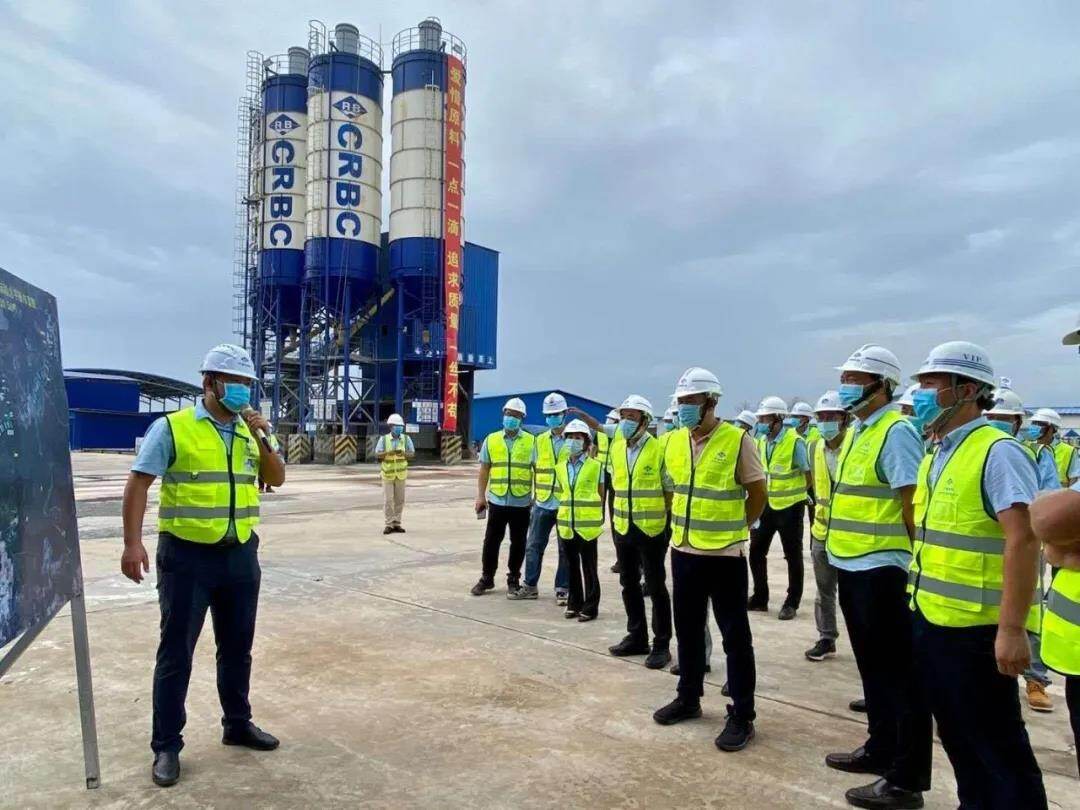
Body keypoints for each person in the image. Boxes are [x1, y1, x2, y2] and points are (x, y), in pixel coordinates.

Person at [120, 344, 285, 788]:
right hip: (187, 558)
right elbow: (138, 483)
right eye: (235, 382)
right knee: (176, 653)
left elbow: (277, 477)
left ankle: (237, 724)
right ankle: (166, 746)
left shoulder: (250, 431)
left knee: (237, 649)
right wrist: (132, 543)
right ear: (209, 382)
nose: (243, 390)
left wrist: (264, 436)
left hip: (240, 554)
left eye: (248, 383)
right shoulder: (172, 428)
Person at [906, 341, 1047, 809]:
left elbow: (1023, 540)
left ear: (967, 391)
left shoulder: (997, 452)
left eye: (931, 383)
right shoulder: (938, 451)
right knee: (958, 736)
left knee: (998, 746)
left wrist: (1012, 630)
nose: (920, 393)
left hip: (978, 630)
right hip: (934, 618)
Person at [823, 343, 931, 810]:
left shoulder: (896, 431)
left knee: (900, 675)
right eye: (844, 378)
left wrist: (917, 564)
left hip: (884, 568)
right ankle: (880, 747)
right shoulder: (860, 430)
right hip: (851, 561)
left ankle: (906, 779)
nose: (846, 386)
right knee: (873, 668)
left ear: (882, 385)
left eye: (855, 379)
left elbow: (911, 505)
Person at [653, 367, 766, 754]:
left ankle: (742, 715)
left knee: (735, 636)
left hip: (724, 554)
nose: (685, 407)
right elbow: (674, 490)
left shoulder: (737, 440)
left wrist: (738, 527)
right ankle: (689, 697)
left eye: (692, 401)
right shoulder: (673, 441)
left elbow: (758, 493)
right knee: (686, 630)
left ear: (711, 402)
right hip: (683, 550)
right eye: (681, 401)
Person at [987, 386, 1059, 713]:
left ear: (1017, 422)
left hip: (1025, 539)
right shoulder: (980, 450)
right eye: (992, 416)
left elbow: (1048, 496)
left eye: (1003, 418)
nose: (996, 422)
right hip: (987, 554)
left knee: (1028, 612)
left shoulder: (1029, 454)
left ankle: (1035, 680)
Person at [607, 394, 673, 669]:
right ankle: (637, 636)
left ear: (644, 421)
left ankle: (661, 644)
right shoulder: (616, 449)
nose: (625, 422)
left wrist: (661, 519)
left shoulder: (658, 449)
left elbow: (669, 490)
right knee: (628, 584)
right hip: (623, 526)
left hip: (651, 528)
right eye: (623, 417)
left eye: (631, 417)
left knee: (656, 587)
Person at [748, 395, 812, 620]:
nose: (761, 423)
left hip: (790, 508)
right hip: (766, 507)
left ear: (778, 419)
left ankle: (791, 602)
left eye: (765, 418)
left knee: (792, 556)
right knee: (756, 551)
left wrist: (797, 495)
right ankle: (760, 598)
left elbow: (808, 474)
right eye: (760, 419)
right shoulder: (761, 442)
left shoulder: (795, 442)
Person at [472, 397, 535, 596]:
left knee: (518, 542)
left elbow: (538, 470)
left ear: (522, 418)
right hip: (497, 500)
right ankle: (487, 578)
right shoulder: (491, 439)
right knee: (491, 541)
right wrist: (480, 496)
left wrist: (538, 496)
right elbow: (484, 469)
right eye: (508, 414)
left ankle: (513, 578)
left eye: (515, 415)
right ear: (503, 415)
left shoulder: (531, 442)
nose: (511, 418)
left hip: (521, 502)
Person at [512, 392, 571, 603]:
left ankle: (563, 588)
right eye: (549, 415)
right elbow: (536, 468)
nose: (552, 418)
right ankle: (530, 586)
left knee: (565, 549)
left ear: (565, 414)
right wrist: (534, 497)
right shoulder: (540, 440)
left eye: (556, 414)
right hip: (543, 501)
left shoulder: (574, 439)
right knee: (533, 545)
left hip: (565, 503)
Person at [804, 390, 848, 663]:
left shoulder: (855, 446)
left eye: (830, 416)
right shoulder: (814, 447)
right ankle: (826, 637)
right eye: (820, 417)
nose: (825, 422)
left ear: (844, 418)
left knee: (856, 598)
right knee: (824, 590)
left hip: (853, 535)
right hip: (821, 531)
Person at [555, 420, 605, 620]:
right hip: (567, 523)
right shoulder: (560, 467)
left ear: (586, 442)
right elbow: (562, 492)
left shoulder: (596, 466)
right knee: (571, 565)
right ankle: (574, 603)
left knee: (589, 567)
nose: (573, 441)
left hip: (587, 525)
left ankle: (590, 607)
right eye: (570, 437)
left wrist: (598, 517)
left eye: (578, 438)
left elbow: (601, 494)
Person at [375, 413, 415, 535]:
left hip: (401, 475)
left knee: (399, 500)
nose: (399, 428)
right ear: (391, 426)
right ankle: (389, 524)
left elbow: (412, 454)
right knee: (388, 500)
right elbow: (377, 454)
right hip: (387, 475)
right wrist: (388, 453)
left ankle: (397, 523)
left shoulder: (406, 439)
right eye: (397, 426)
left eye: (401, 426)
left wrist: (403, 453)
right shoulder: (383, 439)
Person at [1026, 408, 1080, 487]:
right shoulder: (1027, 447)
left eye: (1040, 423)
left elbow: (1073, 480)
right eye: (1034, 423)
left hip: (1058, 493)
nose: (1035, 426)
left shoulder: (1069, 451)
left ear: (1052, 428)